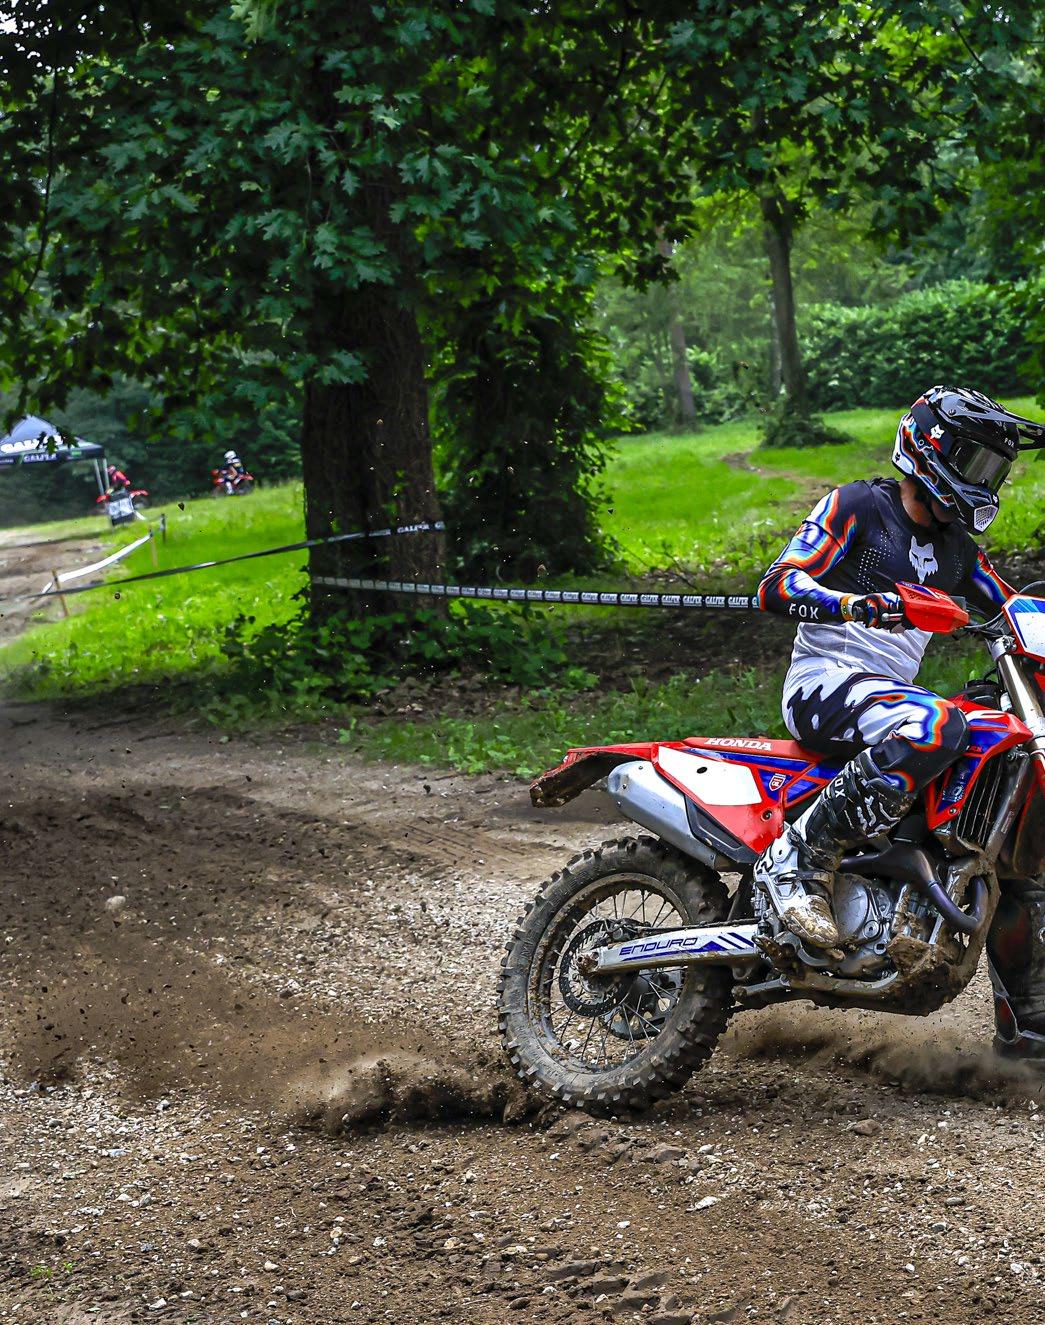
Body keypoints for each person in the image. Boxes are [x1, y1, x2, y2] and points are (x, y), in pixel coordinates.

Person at [754, 385, 1045, 1059]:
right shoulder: (858, 507)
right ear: (931, 449)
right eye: (976, 463)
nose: (985, 481)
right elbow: (778, 584)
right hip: (824, 682)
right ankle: (799, 861)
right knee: (936, 726)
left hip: (888, 696)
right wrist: (867, 605)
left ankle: (1029, 1022)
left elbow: (1011, 611)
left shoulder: (957, 551)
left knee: (1006, 798)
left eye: (993, 469)